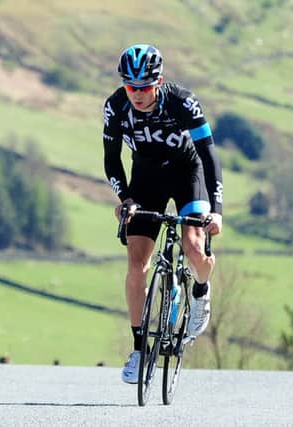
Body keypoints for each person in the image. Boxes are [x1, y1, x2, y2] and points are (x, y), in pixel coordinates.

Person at [102, 44, 223, 384]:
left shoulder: (182, 102)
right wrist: (125, 198)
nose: (137, 95)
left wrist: (218, 211)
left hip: (188, 174)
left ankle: (200, 290)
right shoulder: (116, 107)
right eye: (130, 87)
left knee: (195, 247)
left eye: (143, 87)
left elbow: (209, 156)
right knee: (136, 263)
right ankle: (140, 348)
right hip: (146, 179)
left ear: (159, 82)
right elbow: (112, 160)